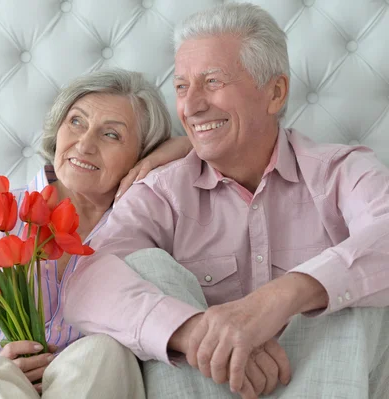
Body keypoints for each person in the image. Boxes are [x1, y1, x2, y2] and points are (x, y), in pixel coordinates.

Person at [63, 4, 389, 399]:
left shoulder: (341, 171)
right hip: (205, 387)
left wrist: (282, 298)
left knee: (358, 282)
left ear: (275, 92)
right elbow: (85, 285)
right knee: (145, 266)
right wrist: (193, 330)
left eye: (213, 81)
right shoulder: (161, 192)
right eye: (182, 87)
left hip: (328, 381)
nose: (192, 105)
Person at [0, 68, 193, 398]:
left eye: (111, 135)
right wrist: (1, 368)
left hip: (90, 385)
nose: (84, 144)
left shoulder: (143, 232)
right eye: (76, 122)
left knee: (104, 352)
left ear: (143, 155)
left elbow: (223, 153)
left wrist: (177, 150)